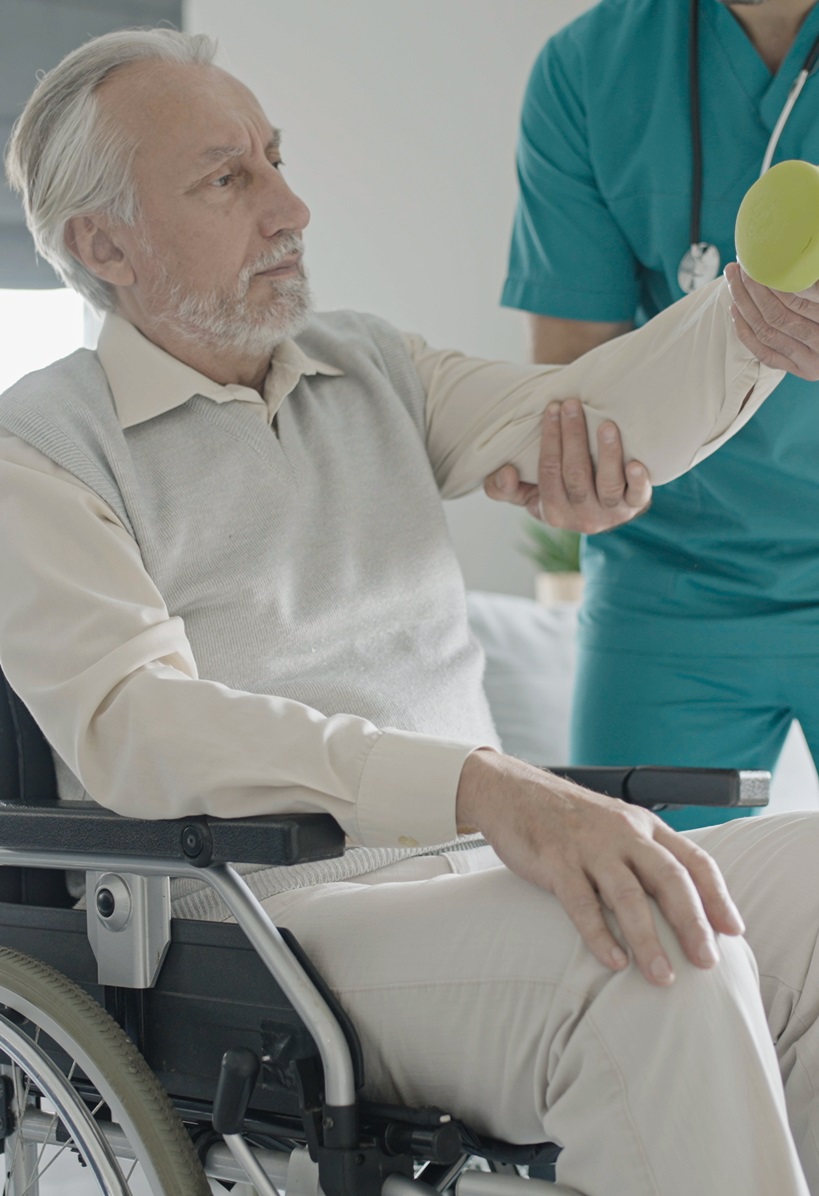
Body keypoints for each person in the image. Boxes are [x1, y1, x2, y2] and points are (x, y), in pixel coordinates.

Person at [2, 27, 819, 1195]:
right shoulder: (39, 453)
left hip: (479, 874)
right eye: (228, 178)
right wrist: (479, 783)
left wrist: (748, 320)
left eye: (276, 159)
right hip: (279, 924)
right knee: (652, 956)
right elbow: (144, 727)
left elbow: (586, 418)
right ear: (104, 245)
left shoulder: (366, 367)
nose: (291, 206)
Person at [490, 0, 819, 832]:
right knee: (638, 921)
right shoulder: (590, 68)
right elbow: (574, 374)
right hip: (672, 580)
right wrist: (575, 470)